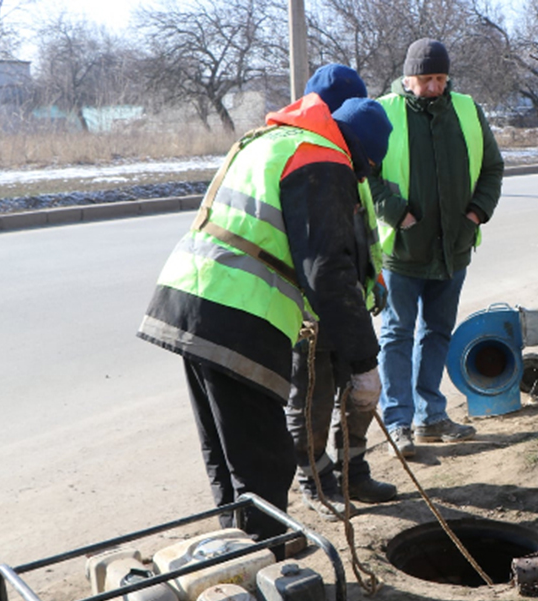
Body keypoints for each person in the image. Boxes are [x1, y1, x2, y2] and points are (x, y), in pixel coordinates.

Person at [138, 69, 388, 541]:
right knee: (265, 463)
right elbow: (328, 270)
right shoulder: (323, 157)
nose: (359, 180)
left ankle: (240, 561)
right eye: (364, 170)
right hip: (238, 315)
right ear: (360, 151)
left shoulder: (272, 139)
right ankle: (269, 572)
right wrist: (364, 362)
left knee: (227, 456)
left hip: (189, 298)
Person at [368, 38, 505, 458]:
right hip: (404, 250)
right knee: (396, 335)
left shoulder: (466, 109)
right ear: (408, 78)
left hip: (453, 248)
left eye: (440, 79)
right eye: (426, 79)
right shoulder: (384, 112)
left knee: (438, 333)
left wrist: (475, 215)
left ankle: (431, 416)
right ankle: (398, 424)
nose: (434, 87)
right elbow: (364, 172)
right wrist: (394, 211)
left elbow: (493, 167)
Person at [286, 68, 399, 518]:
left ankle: (354, 470)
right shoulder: (311, 155)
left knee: (359, 389)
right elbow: (316, 254)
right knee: (312, 395)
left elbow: (360, 229)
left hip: (348, 298)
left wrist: (374, 280)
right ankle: (315, 479)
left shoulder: (346, 152)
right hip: (311, 307)